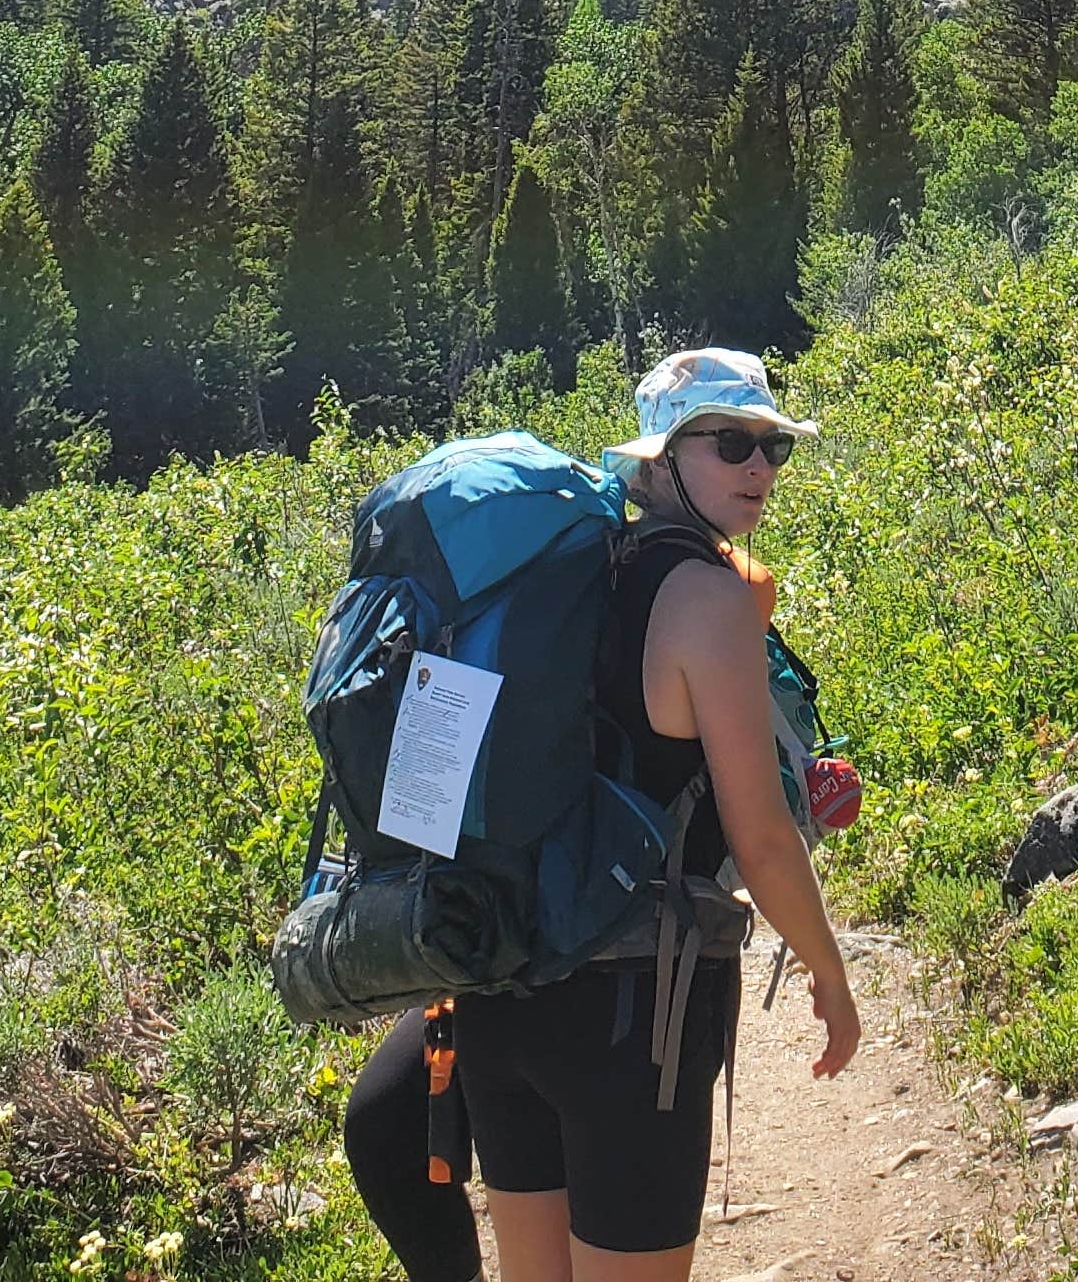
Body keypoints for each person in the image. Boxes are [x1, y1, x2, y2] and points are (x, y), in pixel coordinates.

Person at [344, 349, 862, 1282]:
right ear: (658, 461)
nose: (760, 467)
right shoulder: (705, 597)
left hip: (509, 990)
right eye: (730, 442)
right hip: (634, 1015)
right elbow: (762, 836)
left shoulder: (567, 583)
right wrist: (828, 971)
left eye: (774, 446)